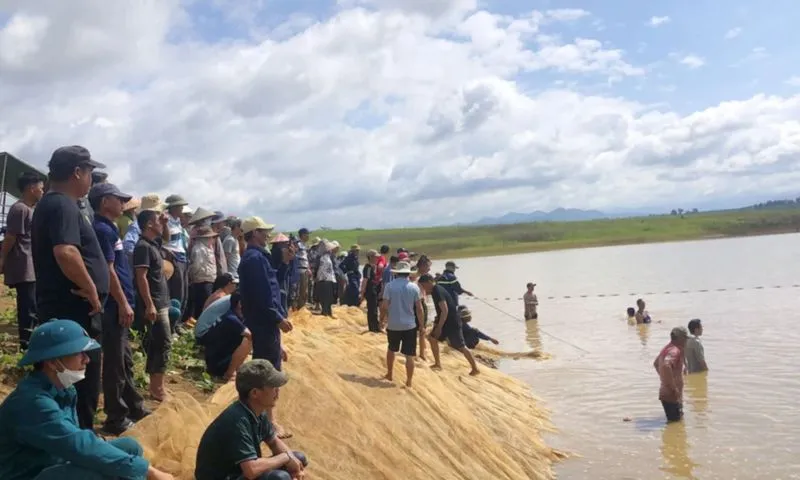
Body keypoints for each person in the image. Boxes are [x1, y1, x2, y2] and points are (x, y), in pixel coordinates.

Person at [0, 320, 174, 480]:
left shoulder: (65, 389)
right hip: (28, 474)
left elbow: (78, 439)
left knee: (130, 447)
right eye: (79, 353)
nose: (87, 359)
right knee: (95, 473)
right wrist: (149, 472)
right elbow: (78, 445)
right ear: (52, 362)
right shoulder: (33, 403)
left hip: (52, 462)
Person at [31, 145, 109, 430]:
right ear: (77, 172)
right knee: (80, 383)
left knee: (69, 382)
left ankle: (76, 439)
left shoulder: (54, 204)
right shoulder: (62, 204)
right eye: (90, 172)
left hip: (68, 311)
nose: (91, 179)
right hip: (74, 311)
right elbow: (65, 252)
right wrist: (90, 287)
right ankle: (81, 444)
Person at [90, 183, 150, 435]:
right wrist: (123, 302)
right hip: (114, 306)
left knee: (124, 359)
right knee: (115, 362)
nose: (123, 204)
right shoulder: (103, 230)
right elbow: (109, 270)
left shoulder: (109, 228)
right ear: (105, 202)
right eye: (119, 199)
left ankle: (132, 405)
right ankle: (115, 416)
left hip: (119, 304)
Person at [194, 360, 308, 480]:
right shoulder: (237, 421)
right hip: (224, 476)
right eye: (273, 386)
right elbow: (251, 471)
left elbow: (273, 441)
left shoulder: (257, 411)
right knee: (279, 478)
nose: (277, 390)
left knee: (299, 458)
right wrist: (285, 458)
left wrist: (293, 463)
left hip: (239, 472)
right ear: (254, 393)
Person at [237, 216, 293, 438]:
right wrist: (277, 317)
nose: (267, 234)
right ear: (254, 233)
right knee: (268, 371)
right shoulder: (254, 259)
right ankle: (269, 423)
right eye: (263, 231)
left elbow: (272, 285)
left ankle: (265, 418)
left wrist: (286, 263)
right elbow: (262, 295)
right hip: (264, 321)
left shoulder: (258, 257)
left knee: (268, 364)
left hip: (265, 321)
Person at [0, 172, 44, 350]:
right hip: (24, 265)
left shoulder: (30, 209)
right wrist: (2, 258)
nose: (42, 191)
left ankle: (30, 341)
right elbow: (11, 237)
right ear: (31, 188)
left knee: (31, 305)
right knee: (28, 308)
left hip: (30, 265)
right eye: (40, 188)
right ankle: (27, 344)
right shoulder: (20, 209)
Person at [133, 209, 172, 402]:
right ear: (149, 224)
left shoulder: (153, 243)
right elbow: (141, 277)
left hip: (161, 300)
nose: (161, 222)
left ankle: (158, 385)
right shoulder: (142, 247)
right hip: (155, 302)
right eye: (157, 220)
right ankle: (157, 389)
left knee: (161, 342)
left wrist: (164, 223)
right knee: (161, 343)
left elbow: (167, 238)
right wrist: (149, 304)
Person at [417, 274, 480, 375]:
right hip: (445, 321)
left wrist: (439, 327)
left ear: (429, 282)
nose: (424, 289)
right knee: (432, 339)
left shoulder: (437, 290)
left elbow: (445, 310)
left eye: (424, 286)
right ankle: (438, 364)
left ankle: (475, 368)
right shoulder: (435, 290)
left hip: (452, 323)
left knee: (461, 346)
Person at [380, 261, 424, 387]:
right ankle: (409, 381)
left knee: (391, 349)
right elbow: (419, 309)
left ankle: (389, 373)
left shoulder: (390, 286)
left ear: (397, 273)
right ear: (408, 274)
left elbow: (384, 306)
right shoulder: (414, 287)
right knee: (409, 355)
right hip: (410, 325)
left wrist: (381, 320)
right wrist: (421, 325)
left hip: (393, 324)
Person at [196, 291, 252, 381]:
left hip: (214, 360)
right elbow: (251, 336)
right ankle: (229, 373)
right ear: (240, 304)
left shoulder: (232, 314)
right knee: (248, 340)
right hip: (217, 365)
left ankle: (234, 368)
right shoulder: (232, 319)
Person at [162, 194, 190, 327]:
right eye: (180, 207)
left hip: (182, 256)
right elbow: (164, 241)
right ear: (173, 207)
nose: (181, 210)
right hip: (173, 256)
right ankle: (172, 324)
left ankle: (178, 323)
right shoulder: (165, 221)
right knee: (176, 291)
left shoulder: (178, 222)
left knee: (184, 292)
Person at [654, 327, 688, 423]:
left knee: (675, 426)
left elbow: (656, 364)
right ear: (680, 338)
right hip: (672, 394)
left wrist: (665, 380)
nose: (686, 341)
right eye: (685, 338)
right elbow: (666, 365)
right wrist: (673, 387)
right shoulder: (675, 350)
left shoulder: (667, 348)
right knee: (676, 425)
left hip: (668, 392)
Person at [188, 226, 222, 320]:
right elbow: (196, 266)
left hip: (208, 280)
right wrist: (195, 277)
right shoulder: (199, 249)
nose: (213, 239)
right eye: (211, 237)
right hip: (202, 281)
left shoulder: (206, 248)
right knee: (202, 306)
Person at [359, 250, 381, 332]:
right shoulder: (368, 267)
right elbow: (365, 280)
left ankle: (375, 326)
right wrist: (362, 292)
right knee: (372, 309)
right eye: (376, 257)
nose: (377, 258)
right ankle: (372, 327)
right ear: (371, 257)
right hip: (370, 291)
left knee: (374, 309)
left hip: (373, 290)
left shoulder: (373, 267)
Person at [315, 241, 337, 317]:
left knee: (329, 297)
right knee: (325, 297)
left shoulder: (328, 257)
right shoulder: (322, 258)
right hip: (323, 279)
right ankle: (325, 312)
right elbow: (319, 269)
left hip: (328, 279)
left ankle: (328, 312)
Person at [294, 228, 311, 309]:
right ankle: (297, 309)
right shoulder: (297, 244)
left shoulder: (304, 245)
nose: (308, 236)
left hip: (305, 271)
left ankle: (301, 308)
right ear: (303, 235)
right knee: (299, 291)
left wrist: (308, 268)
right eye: (307, 234)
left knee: (304, 292)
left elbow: (305, 258)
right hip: (299, 271)